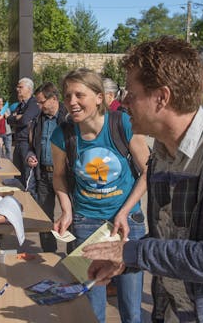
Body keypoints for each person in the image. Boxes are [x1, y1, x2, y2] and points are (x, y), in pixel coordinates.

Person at [82, 37, 203, 323]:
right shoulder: (160, 154)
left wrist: (133, 252)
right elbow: (172, 240)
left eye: (131, 93)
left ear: (162, 97)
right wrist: (124, 262)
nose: (123, 101)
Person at [51, 68, 150, 323]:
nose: (72, 102)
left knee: (131, 308)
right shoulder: (62, 134)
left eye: (79, 95)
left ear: (99, 97)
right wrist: (67, 209)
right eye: (67, 96)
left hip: (128, 223)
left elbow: (148, 171)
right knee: (91, 307)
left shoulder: (122, 123)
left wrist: (125, 211)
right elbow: (59, 176)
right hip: (86, 223)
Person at [26, 82, 68, 252]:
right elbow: (30, 145)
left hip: (65, 176)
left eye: (42, 102)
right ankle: (49, 255)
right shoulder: (38, 120)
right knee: (45, 218)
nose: (39, 105)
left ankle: (73, 260)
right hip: (43, 175)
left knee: (70, 216)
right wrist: (30, 155)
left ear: (54, 99)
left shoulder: (68, 118)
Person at [7, 77, 40, 190]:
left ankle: (29, 203)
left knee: (27, 178)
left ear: (29, 89)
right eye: (17, 87)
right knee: (17, 174)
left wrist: (17, 117)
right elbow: (8, 120)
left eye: (20, 87)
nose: (17, 89)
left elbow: (25, 120)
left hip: (27, 144)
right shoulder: (20, 105)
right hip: (18, 143)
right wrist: (17, 117)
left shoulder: (34, 103)